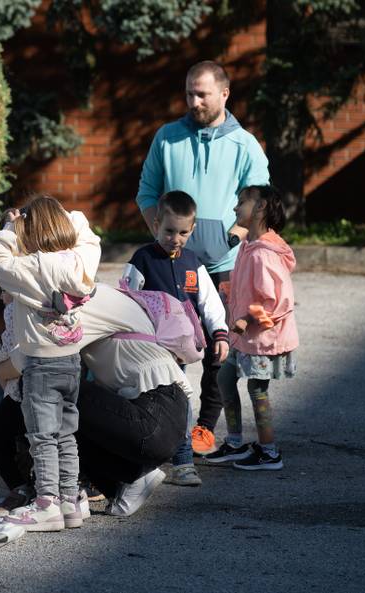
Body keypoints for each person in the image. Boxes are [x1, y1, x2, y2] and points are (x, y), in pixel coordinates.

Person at [135, 60, 270, 455]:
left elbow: (260, 199)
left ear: (224, 94)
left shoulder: (243, 143)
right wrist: (161, 239)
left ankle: (205, 428)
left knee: (219, 348)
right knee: (161, 342)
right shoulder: (167, 137)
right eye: (189, 92)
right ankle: (163, 423)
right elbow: (147, 192)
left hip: (224, 265)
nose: (193, 101)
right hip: (171, 264)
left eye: (202, 94)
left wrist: (235, 236)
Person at [0, 281, 189, 518]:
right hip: (156, 417)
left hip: (155, 413)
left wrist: (0, 372)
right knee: (57, 411)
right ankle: (128, 479)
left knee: (44, 385)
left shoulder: (74, 303)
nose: (6, 297)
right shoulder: (78, 294)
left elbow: (31, 358)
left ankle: (46, 494)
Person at [0, 195, 101, 531]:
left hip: (39, 363)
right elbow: (88, 233)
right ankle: (69, 501)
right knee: (67, 433)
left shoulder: (31, 266)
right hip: (71, 361)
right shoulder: (82, 260)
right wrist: (65, 215)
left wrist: (10, 227)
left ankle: (46, 503)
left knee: (42, 436)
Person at [122, 190, 229, 486]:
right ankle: (139, 466)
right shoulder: (142, 259)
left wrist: (220, 334)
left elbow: (209, 303)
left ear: (192, 230)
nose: (175, 238)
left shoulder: (193, 263)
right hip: (148, 350)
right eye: (169, 230)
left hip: (180, 352)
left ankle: (182, 463)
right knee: (143, 402)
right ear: (156, 223)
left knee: (180, 401)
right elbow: (126, 299)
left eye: (183, 232)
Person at [205, 185, 298, 470]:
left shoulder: (264, 254)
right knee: (224, 379)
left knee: (257, 389)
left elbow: (276, 301)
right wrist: (230, 292)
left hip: (261, 337)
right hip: (243, 337)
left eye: (242, 202)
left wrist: (247, 317)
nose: (235, 208)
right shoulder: (248, 246)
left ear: (260, 208)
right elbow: (252, 287)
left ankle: (269, 452)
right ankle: (235, 442)